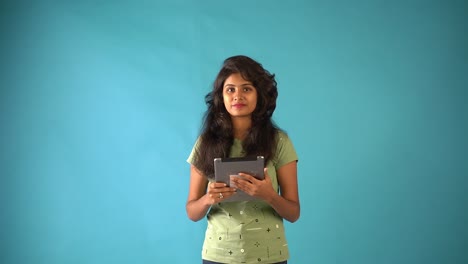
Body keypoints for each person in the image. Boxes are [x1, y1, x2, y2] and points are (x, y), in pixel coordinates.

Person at [186, 55, 300, 264]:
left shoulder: (279, 141)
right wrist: (208, 199)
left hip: (270, 256)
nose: (237, 96)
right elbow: (192, 212)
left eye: (246, 88)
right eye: (230, 89)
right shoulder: (205, 143)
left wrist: (269, 195)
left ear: (259, 95)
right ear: (221, 96)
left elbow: (293, 213)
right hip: (218, 255)